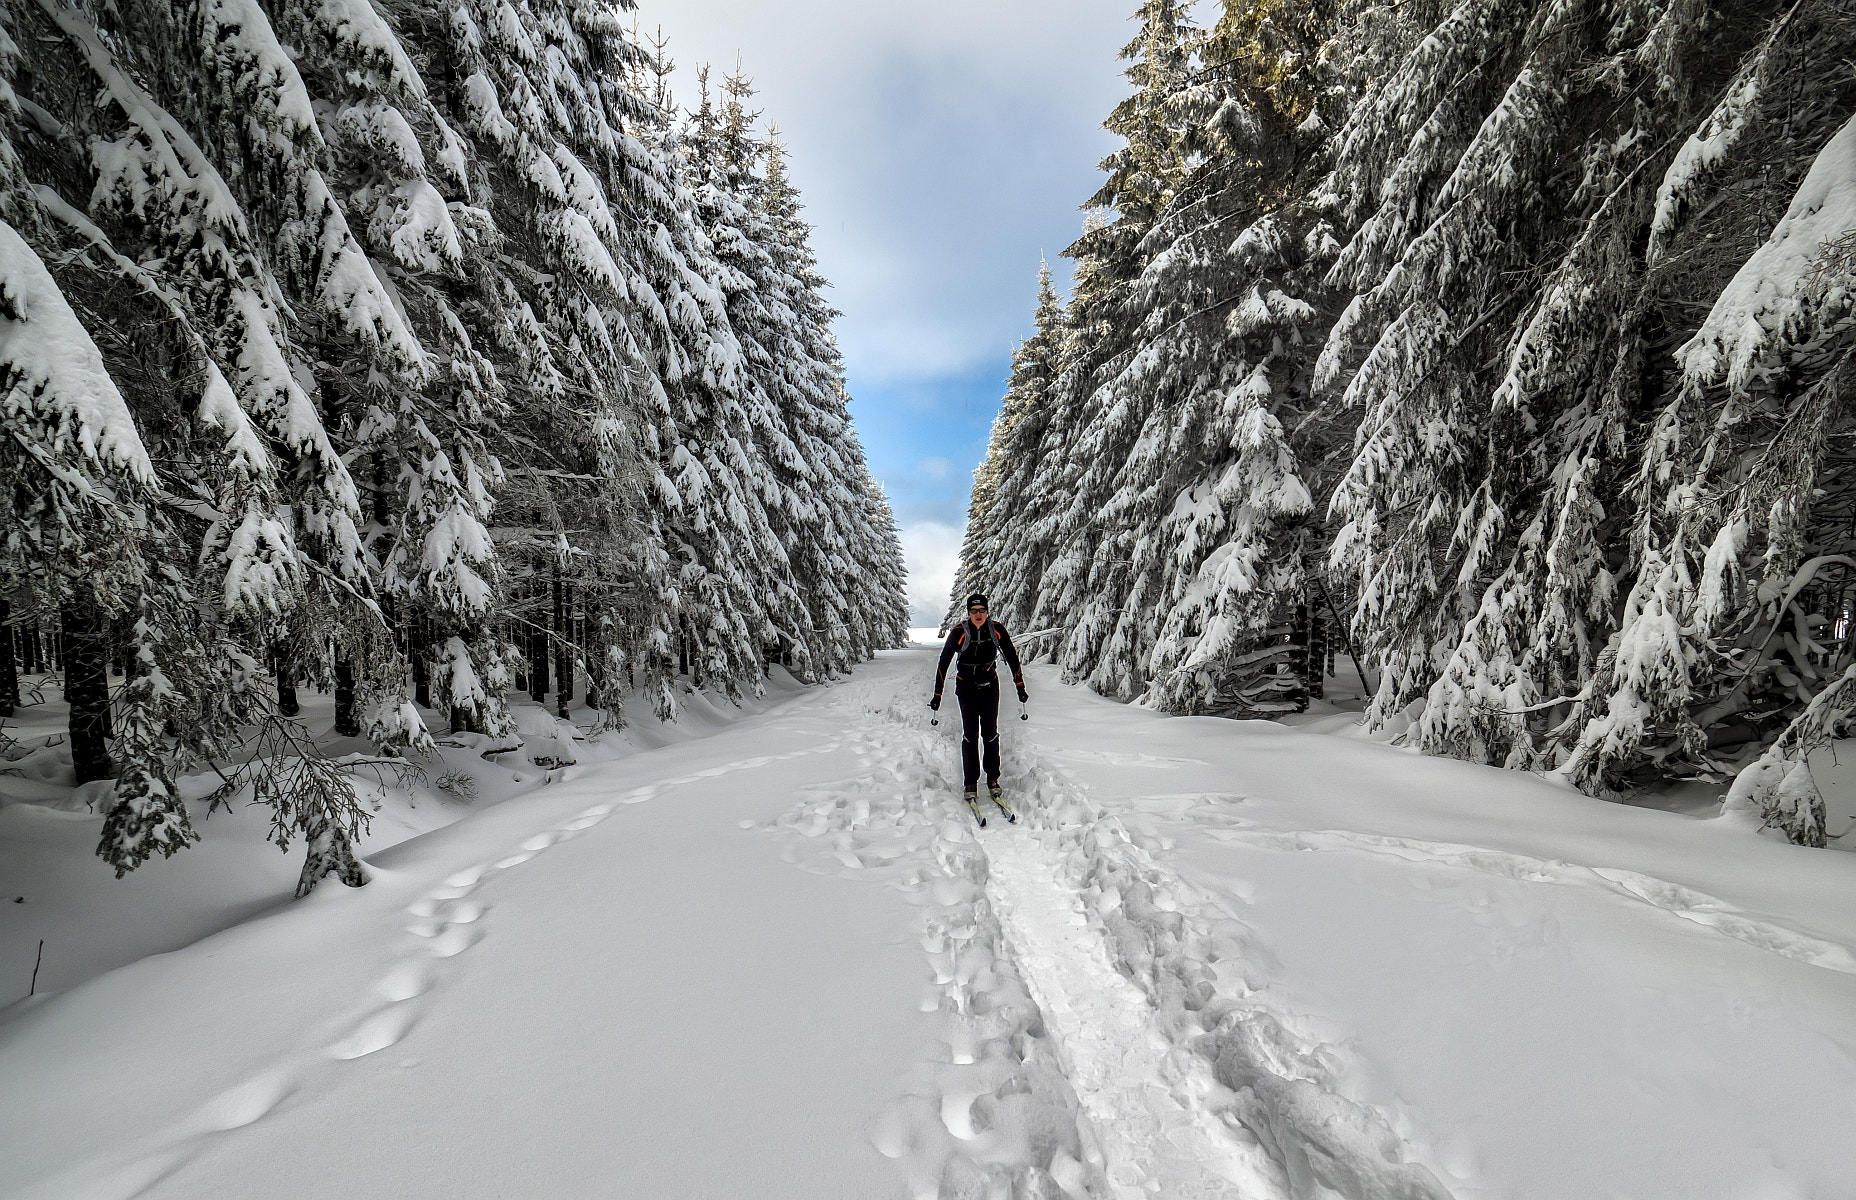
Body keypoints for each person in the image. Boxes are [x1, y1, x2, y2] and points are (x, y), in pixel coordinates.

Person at [930, 593, 1027, 804]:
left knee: (991, 733)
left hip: (990, 686)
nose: (978, 614)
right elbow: (944, 662)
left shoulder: (997, 630)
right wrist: (937, 694)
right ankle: (970, 783)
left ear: (987, 611)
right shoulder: (959, 632)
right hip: (966, 688)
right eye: (974, 611)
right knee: (970, 734)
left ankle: (993, 779)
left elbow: (1012, 657)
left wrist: (1020, 686)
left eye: (982, 610)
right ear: (968, 613)